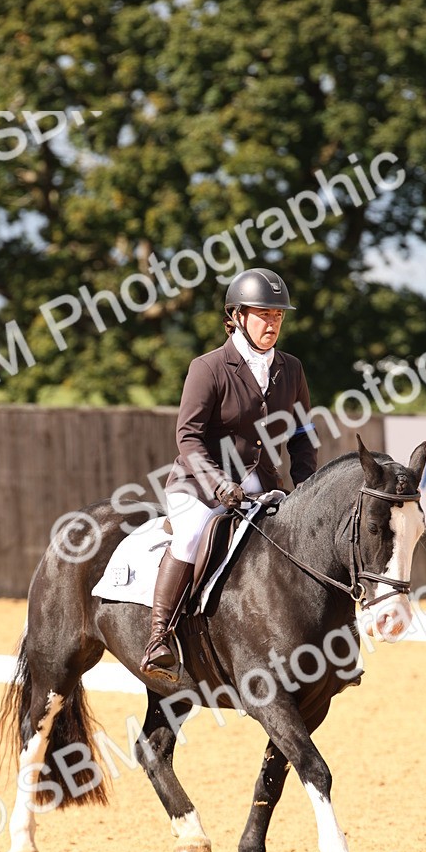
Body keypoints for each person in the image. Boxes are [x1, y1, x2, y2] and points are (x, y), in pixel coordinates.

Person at [140, 266, 317, 677]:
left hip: (261, 484)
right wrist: (218, 482)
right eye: (263, 315)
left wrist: (307, 484)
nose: (272, 323)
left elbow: (303, 433)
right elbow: (188, 437)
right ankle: (160, 637)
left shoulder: (290, 369)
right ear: (237, 315)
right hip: (200, 484)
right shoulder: (209, 367)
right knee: (192, 535)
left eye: (278, 316)